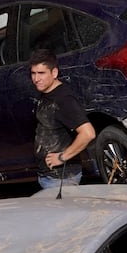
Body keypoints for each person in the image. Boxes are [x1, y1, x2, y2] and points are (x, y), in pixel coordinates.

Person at [30, 49, 94, 190]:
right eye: (33, 73)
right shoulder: (46, 93)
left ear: (54, 73)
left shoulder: (64, 100)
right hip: (49, 177)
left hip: (61, 180)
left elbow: (88, 133)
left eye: (41, 73)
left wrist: (62, 157)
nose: (36, 79)